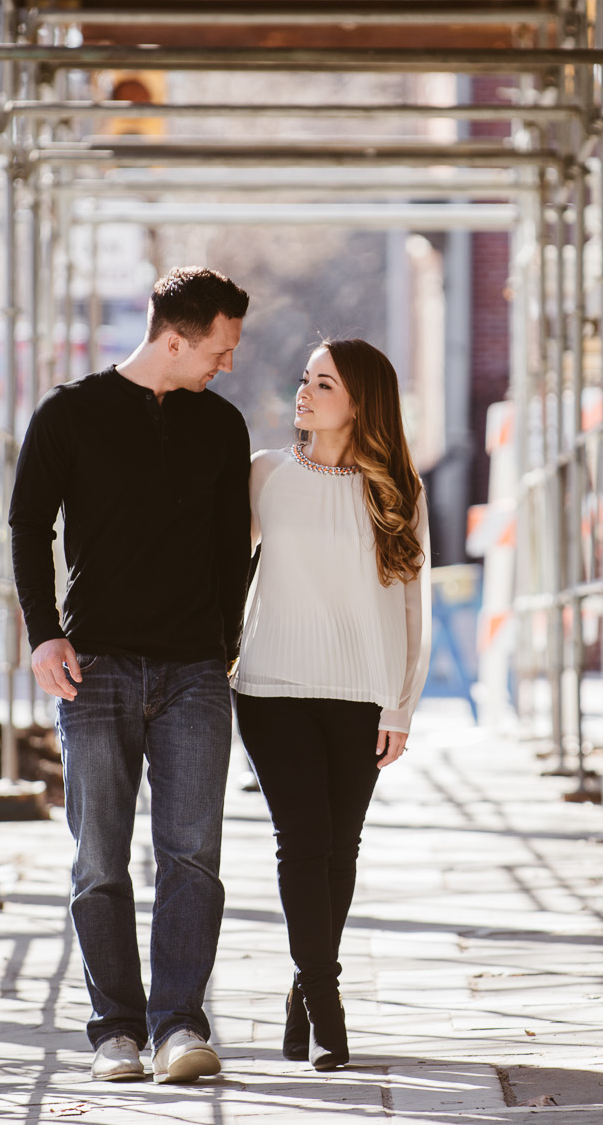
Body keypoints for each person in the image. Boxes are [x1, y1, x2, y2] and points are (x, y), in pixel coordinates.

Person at [8, 266, 251, 1085]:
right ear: (173, 340)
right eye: (219, 349)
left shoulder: (221, 427)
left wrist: (224, 646)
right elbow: (26, 524)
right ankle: (114, 1030)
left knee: (193, 856)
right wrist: (43, 635)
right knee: (99, 859)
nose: (227, 364)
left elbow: (230, 550)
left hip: (194, 671)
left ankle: (180, 1025)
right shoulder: (68, 414)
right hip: (95, 665)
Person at [231, 338, 431, 1071]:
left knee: (339, 850)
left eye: (324, 384)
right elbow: (220, 567)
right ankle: (327, 1003)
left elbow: (414, 602)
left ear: (360, 402)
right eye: (305, 380)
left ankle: (303, 991)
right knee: (302, 842)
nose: (304, 394)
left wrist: (400, 705)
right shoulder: (265, 475)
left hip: (362, 695)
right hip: (272, 687)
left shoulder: (397, 487)